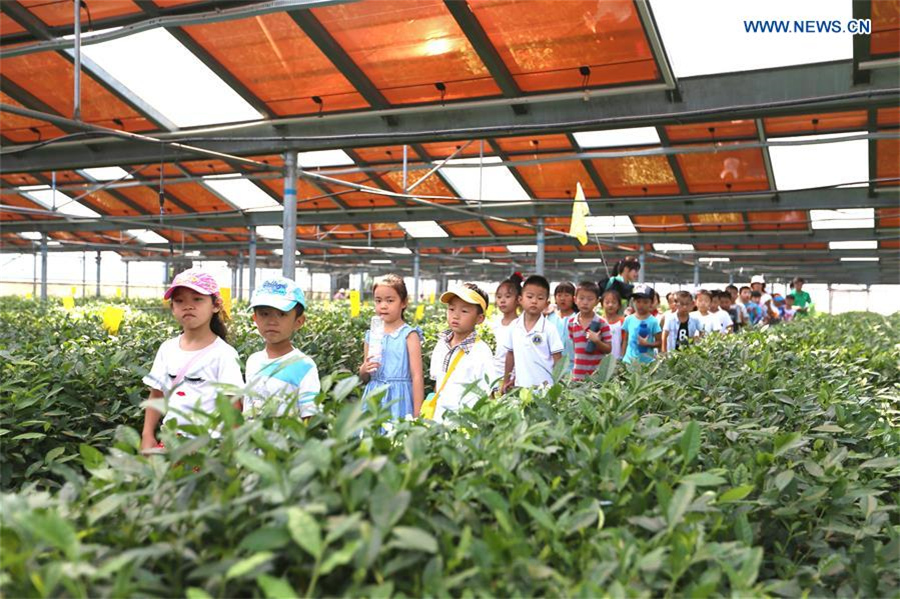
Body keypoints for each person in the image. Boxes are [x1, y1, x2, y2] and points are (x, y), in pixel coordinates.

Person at [141, 269, 244, 452]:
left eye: (197, 299)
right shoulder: (167, 348)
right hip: (171, 443)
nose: (188, 306)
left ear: (216, 305)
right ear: (173, 308)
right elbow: (157, 395)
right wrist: (147, 435)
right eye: (180, 301)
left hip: (207, 448)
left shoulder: (224, 354)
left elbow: (233, 405)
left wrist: (230, 452)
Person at [244, 276, 320, 420]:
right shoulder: (253, 361)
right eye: (264, 314)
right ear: (255, 319)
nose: (272, 321)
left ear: (298, 321)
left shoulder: (304, 366)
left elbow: (309, 416)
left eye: (282, 314)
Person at [358, 274, 424, 420]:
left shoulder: (409, 335)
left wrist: (418, 414)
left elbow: (417, 376)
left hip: (399, 398)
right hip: (374, 396)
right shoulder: (371, 335)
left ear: (404, 302)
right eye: (378, 300)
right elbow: (365, 376)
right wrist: (363, 369)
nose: (383, 306)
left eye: (390, 300)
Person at [426, 283, 493, 423]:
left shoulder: (481, 352)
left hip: (464, 425)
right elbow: (438, 383)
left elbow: (489, 395)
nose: (455, 315)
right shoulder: (441, 344)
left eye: (464, 311)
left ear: (479, 318)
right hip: (439, 420)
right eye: (451, 309)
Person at [501, 274, 563, 391]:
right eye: (530, 297)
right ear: (520, 299)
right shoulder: (514, 326)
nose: (534, 301)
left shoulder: (549, 329)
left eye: (540, 298)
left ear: (546, 303)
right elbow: (511, 354)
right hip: (521, 388)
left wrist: (559, 385)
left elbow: (558, 359)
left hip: (546, 389)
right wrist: (507, 380)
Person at [567, 281, 611, 381]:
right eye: (581, 298)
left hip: (596, 376)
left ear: (597, 301)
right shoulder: (571, 323)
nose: (585, 302)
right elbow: (575, 347)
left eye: (590, 299)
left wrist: (597, 341)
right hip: (577, 375)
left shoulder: (602, 323)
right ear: (575, 300)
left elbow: (608, 349)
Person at [489, 272, 522, 386]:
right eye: (499, 297)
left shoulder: (520, 325)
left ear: (518, 300)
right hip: (493, 376)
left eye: (508, 297)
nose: (502, 300)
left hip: (512, 379)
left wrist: (512, 378)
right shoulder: (495, 323)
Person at [621, 284, 662, 365]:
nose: (641, 305)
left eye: (645, 302)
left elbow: (659, 342)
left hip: (647, 363)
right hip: (629, 361)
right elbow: (625, 340)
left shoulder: (653, 321)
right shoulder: (628, 319)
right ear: (633, 302)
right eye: (638, 301)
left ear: (651, 303)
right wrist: (623, 358)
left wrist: (647, 344)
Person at [546, 281, 576, 370]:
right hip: (552, 367)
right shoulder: (550, 317)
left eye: (567, 295)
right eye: (559, 295)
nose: (562, 298)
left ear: (573, 298)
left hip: (573, 367)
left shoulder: (577, 318)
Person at [601, 289, 625, 360]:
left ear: (619, 305)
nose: (610, 305)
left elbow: (624, 341)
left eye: (614, 303)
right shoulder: (599, 321)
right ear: (602, 304)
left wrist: (622, 357)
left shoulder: (622, 321)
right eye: (607, 302)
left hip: (617, 359)